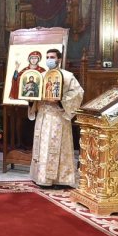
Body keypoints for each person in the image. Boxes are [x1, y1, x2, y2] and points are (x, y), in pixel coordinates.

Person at [28, 49, 84, 189]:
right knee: (42, 146)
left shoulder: (67, 76)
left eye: (52, 57)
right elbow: (33, 94)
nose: (49, 59)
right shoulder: (40, 75)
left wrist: (59, 101)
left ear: (59, 59)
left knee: (56, 146)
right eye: (47, 57)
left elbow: (78, 93)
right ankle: (40, 177)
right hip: (42, 115)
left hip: (58, 116)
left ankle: (60, 179)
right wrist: (30, 99)